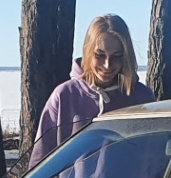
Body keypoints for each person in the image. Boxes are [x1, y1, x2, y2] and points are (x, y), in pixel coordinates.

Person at [27, 14, 155, 167]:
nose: (108, 65)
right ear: (88, 51)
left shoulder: (142, 98)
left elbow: (154, 159)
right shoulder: (64, 96)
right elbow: (40, 162)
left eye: (117, 56)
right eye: (100, 55)